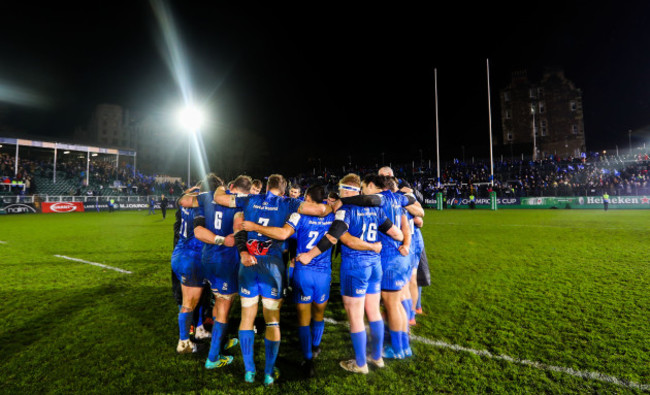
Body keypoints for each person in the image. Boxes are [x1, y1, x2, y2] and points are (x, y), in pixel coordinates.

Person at [298, 173, 403, 374]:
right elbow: (396, 233)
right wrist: (381, 246)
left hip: (356, 267)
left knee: (355, 317)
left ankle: (361, 363)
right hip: (375, 267)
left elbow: (332, 236)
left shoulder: (345, 210)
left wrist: (309, 255)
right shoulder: (376, 209)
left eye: (340, 188)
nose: (338, 192)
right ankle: (377, 357)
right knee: (373, 311)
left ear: (346, 190)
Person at [242, 185, 336, 378]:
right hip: (324, 273)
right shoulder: (332, 216)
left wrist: (257, 228)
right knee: (318, 315)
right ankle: (315, 348)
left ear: (307, 198)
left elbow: (283, 233)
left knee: (303, 319)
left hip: (303, 271)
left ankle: (308, 359)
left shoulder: (298, 215)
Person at [179, 173, 252, 369]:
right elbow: (238, 230)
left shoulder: (206, 197)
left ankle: (218, 342)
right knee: (224, 306)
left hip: (207, 258)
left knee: (218, 299)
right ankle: (213, 357)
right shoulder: (239, 204)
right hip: (225, 260)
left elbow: (185, 202)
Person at [171, 184, 205, 354]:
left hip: (179, 254)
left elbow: (181, 198)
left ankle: (195, 330)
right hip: (191, 258)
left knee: (191, 301)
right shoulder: (201, 206)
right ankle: (184, 340)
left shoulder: (185, 203)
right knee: (188, 303)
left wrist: (190, 189)